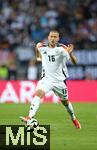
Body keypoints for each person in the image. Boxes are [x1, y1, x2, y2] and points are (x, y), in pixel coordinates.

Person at [20, 30, 81, 129]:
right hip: (46, 80)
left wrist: (70, 54)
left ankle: (73, 118)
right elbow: (38, 53)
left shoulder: (62, 49)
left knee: (65, 102)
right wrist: (38, 57)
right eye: (51, 36)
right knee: (38, 94)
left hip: (59, 81)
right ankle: (29, 117)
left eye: (55, 37)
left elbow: (75, 62)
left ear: (58, 38)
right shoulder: (41, 47)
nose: (53, 39)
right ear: (48, 37)